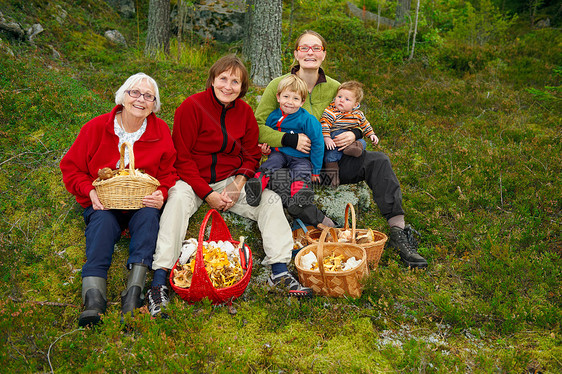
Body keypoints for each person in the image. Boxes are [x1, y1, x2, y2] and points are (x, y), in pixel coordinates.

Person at [150, 55, 313, 316]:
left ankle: (279, 271)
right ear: (213, 80)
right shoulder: (191, 107)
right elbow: (182, 157)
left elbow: (251, 156)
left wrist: (238, 183)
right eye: (223, 78)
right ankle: (160, 279)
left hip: (230, 179)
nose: (228, 86)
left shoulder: (245, 113)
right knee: (177, 200)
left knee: (270, 201)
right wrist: (207, 194)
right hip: (192, 180)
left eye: (235, 81)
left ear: (242, 86)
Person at [254, 30, 428, 269]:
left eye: (316, 48)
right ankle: (323, 222)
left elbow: (354, 117)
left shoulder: (335, 87)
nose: (310, 53)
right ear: (295, 53)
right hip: (291, 162)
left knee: (378, 161)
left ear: (324, 54)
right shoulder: (280, 85)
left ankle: (398, 233)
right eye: (304, 48)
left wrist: (354, 134)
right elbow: (257, 126)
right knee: (276, 177)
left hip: (329, 165)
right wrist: (286, 140)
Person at [60, 73, 178, 327]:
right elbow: (71, 168)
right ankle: (94, 298)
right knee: (101, 224)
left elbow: (169, 172)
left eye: (148, 96)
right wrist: (89, 191)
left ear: (154, 104)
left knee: (148, 220)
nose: (140, 100)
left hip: (140, 202)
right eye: (134, 93)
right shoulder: (96, 127)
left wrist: (162, 193)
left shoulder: (160, 131)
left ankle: (133, 293)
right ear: (122, 96)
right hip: (104, 202)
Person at [244, 74, 325, 218]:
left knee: (302, 171)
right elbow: (268, 135)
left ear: (302, 101)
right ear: (278, 97)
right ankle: (257, 184)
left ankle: (299, 197)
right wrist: (265, 149)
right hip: (279, 153)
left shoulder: (308, 120)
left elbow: (318, 144)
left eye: (295, 98)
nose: (290, 102)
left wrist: (316, 170)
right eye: (286, 97)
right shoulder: (273, 117)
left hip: (301, 157)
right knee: (272, 163)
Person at [321, 80, 379, 187]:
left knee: (362, 142)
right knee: (331, 155)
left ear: (355, 104)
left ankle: (353, 149)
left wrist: (371, 134)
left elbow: (365, 124)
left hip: (351, 139)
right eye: (339, 97)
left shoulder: (358, 114)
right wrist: (327, 138)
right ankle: (333, 177)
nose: (341, 101)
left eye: (347, 99)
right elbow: (324, 124)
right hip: (335, 138)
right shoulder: (331, 111)